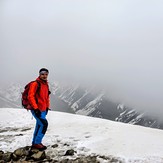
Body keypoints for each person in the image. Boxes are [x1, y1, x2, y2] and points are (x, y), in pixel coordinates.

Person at [28, 68, 50, 150]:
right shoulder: (35, 84)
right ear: (39, 74)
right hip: (37, 109)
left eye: (46, 74)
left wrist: (47, 107)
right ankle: (37, 143)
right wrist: (35, 108)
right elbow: (30, 96)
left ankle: (35, 142)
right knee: (44, 124)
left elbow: (47, 97)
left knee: (39, 125)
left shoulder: (45, 84)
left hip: (43, 109)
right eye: (43, 74)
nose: (44, 76)